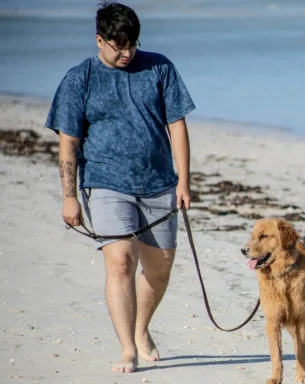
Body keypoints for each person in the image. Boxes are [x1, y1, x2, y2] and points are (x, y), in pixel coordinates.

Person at [45, 1, 195, 374]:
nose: (128, 52)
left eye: (132, 44)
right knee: (121, 263)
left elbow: (177, 124)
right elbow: (69, 143)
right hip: (106, 182)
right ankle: (127, 348)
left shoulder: (159, 66)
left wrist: (184, 181)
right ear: (100, 40)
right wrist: (69, 196)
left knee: (159, 271)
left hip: (159, 183)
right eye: (119, 45)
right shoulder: (79, 78)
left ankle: (141, 328)